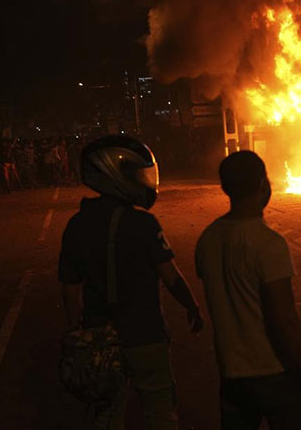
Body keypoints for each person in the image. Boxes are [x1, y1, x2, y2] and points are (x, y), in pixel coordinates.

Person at [58, 135, 203, 429]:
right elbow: (171, 276)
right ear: (115, 175)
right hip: (145, 335)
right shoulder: (143, 224)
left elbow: (70, 289)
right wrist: (192, 305)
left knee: (107, 414)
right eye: (137, 175)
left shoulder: (77, 225)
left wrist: (77, 332)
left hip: (100, 337)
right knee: (160, 412)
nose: (145, 182)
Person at [195, 151, 301, 430]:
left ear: (226, 187)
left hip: (232, 378)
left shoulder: (207, 240)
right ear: (263, 185)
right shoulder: (268, 244)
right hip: (275, 373)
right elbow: (285, 321)